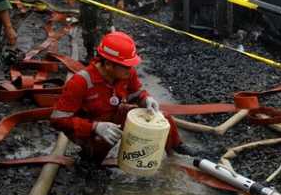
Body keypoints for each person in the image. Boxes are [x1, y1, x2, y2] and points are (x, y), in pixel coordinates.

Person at [50, 32, 197, 164]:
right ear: (108, 64)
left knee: (161, 118)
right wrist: (95, 127)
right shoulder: (80, 82)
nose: (131, 69)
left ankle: (177, 148)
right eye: (127, 66)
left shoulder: (126, 73)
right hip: (90, 129)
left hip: (114, 114)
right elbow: (58, 120)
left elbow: (136, 92)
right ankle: (90, 162)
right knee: (97, 151)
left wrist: (146, 99)